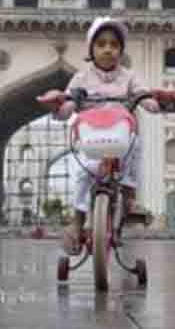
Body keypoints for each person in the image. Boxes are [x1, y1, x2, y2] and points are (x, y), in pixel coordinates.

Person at [46, 17, 160, 256]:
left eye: (114, 45)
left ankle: (129, 200)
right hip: (92, 138)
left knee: (136, 145)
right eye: (101, 44)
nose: (108, 49)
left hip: (120, 135)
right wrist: (58, 105)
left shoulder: (129, 77)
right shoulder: (81, 79)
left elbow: (145, 97)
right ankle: (78, 222)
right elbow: (67, 107)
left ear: (120, 50)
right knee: (82, 175)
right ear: (91, 50)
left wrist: (157, 101)